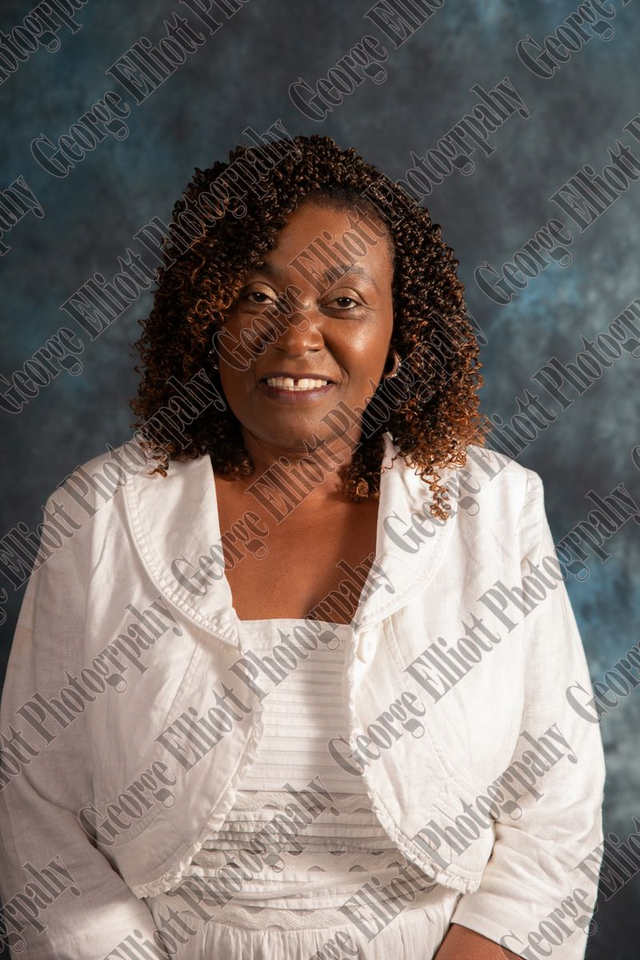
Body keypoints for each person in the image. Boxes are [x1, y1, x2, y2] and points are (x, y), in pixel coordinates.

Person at [0, 135, 605, 959]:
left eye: (343, 301)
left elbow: (557, 806)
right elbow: (37, 806)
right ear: (207, 318)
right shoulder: (98, 516)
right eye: (258, 295)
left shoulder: (495, 510)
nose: (297, 336)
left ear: (399, 332)